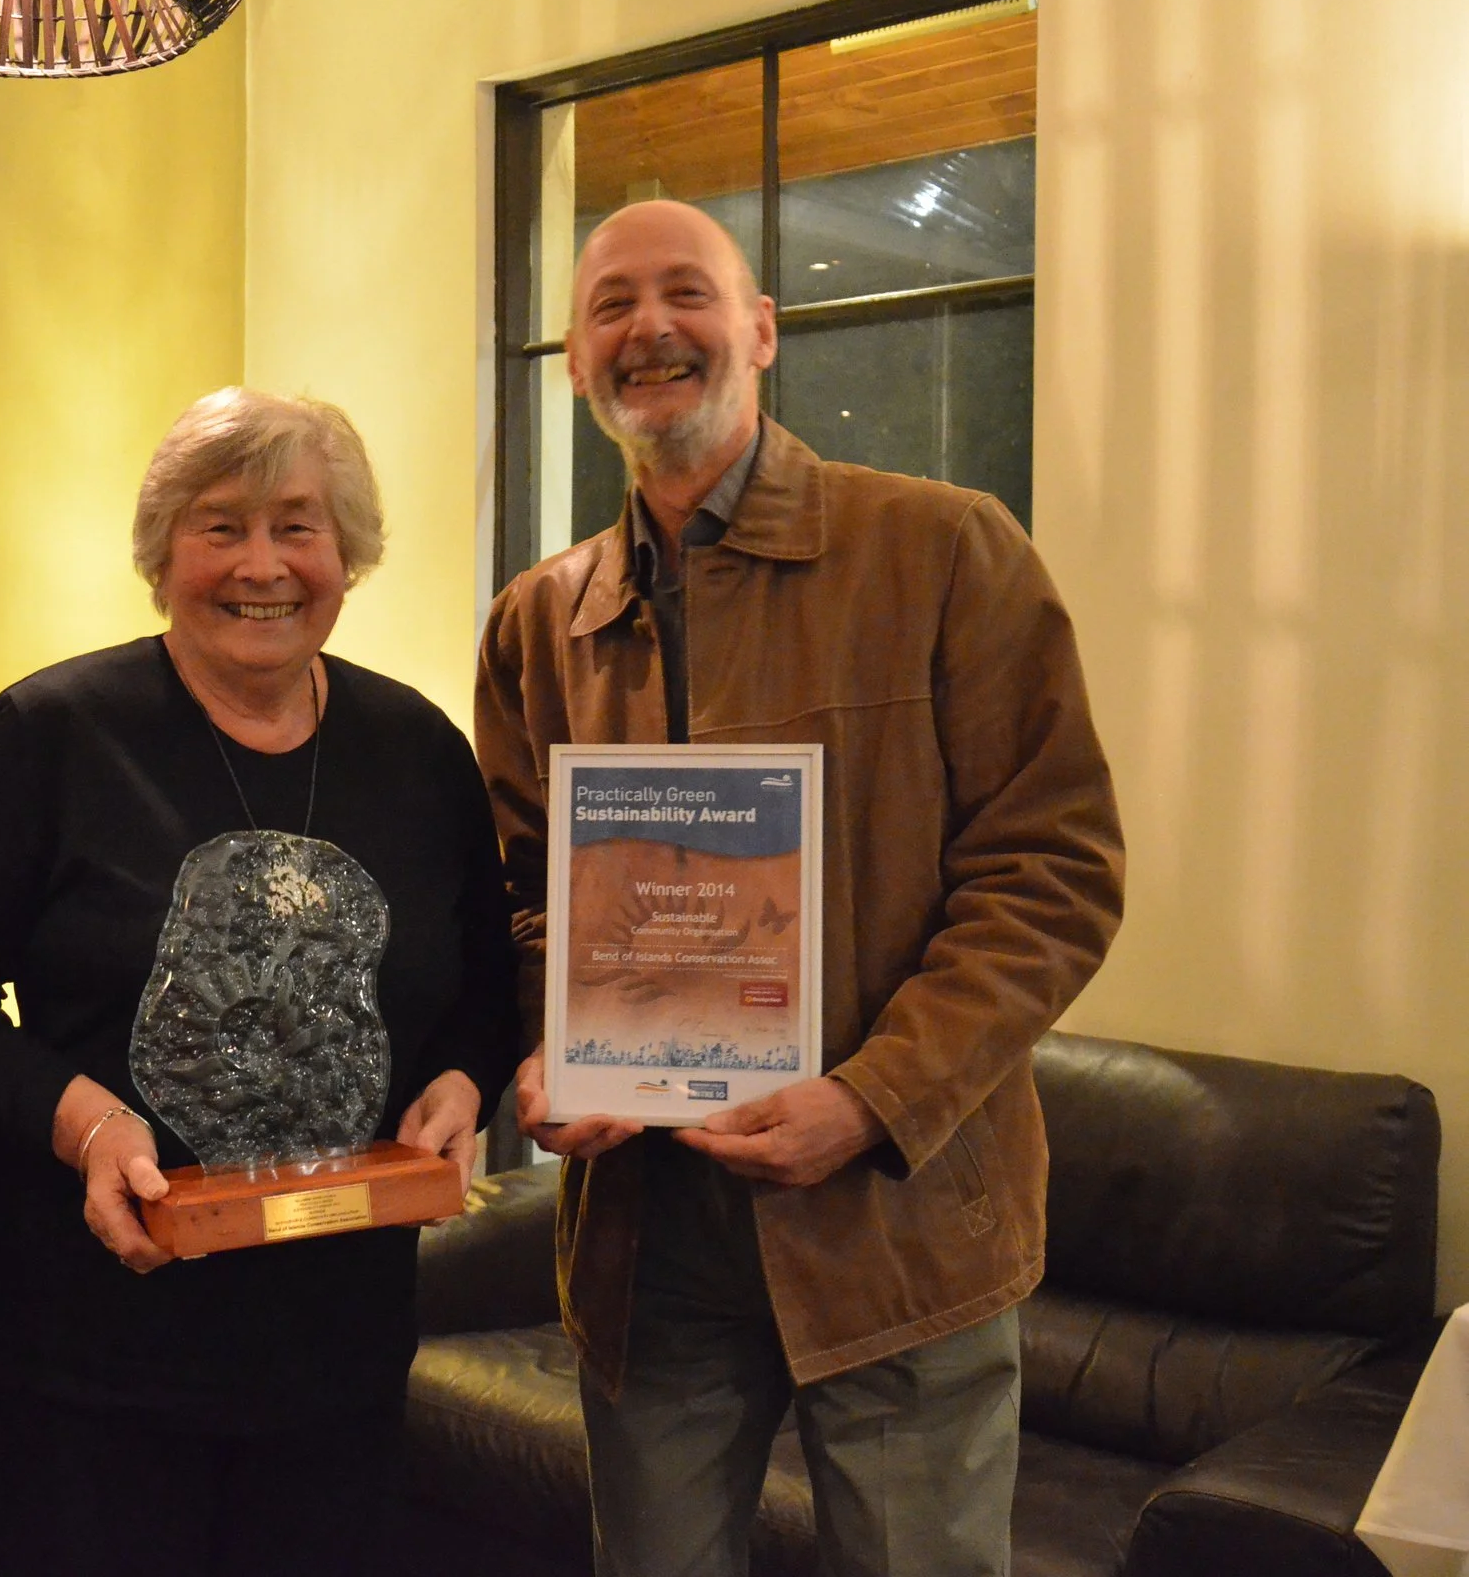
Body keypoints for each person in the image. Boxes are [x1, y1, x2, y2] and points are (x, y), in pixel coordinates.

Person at [476, 200, 1124, 1577]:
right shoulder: (542, 618)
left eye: (686, 293)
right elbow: (519, 891)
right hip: (650, 1248)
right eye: (609, 307)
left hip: (897, 1227)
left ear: (761, 330)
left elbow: (1054, 877)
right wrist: (551, 1051)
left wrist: (869, 1100)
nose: (649, 328)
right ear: (580, 364)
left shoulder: (947, 553)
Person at [0, 388, 519, 1577]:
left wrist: (467, 1084)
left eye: (298, 526)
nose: (260, 564)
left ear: (347, 556)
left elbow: (483, 982)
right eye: (220, 526)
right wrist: (84, 1118)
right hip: (87, 1348)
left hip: (338, 1348)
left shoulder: (418, 751)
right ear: (163, 554)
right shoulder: (50, 735)